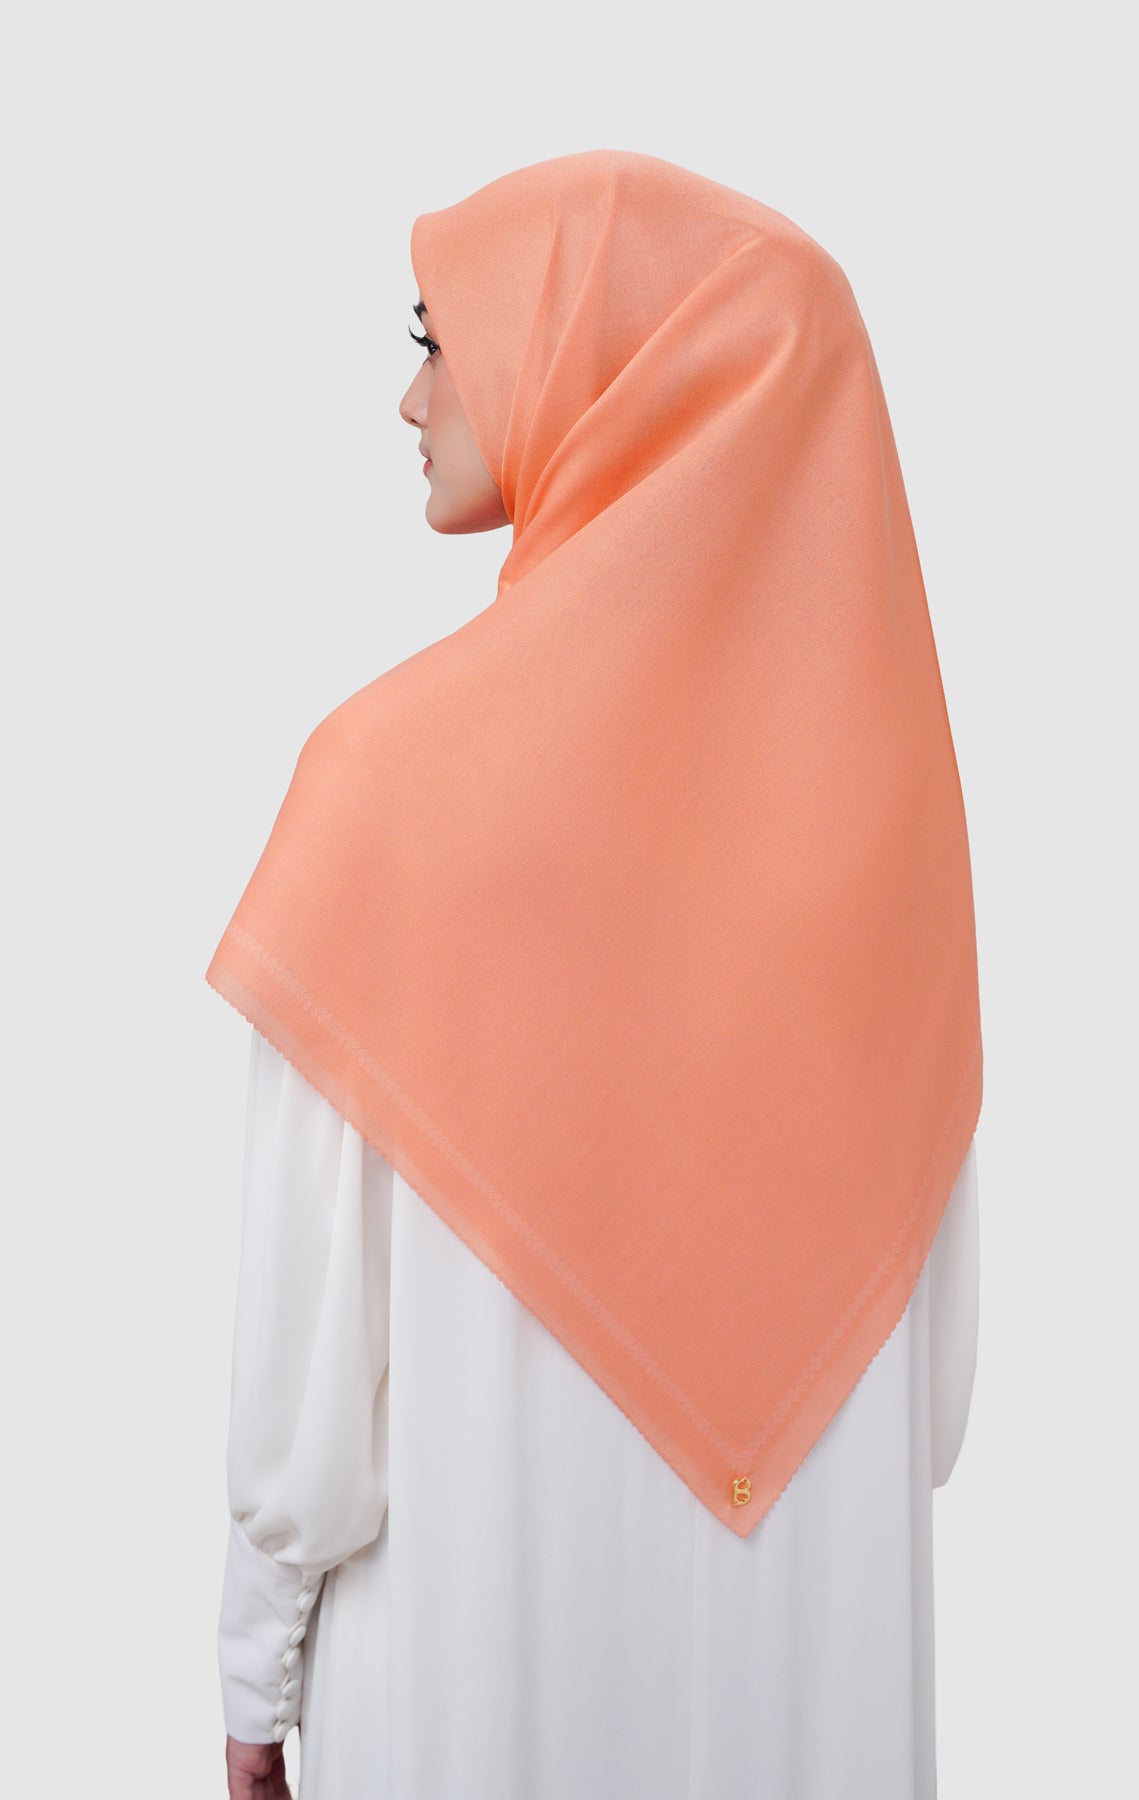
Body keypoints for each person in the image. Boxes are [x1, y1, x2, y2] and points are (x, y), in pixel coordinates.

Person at [213, 149, 983, 1800]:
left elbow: (308, 1387)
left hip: (467, 1681)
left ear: (593, 363)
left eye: (437, 339)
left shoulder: (387, 796)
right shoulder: (890, 846)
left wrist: (251, 1667)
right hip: (808, 1686)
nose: (410, 398)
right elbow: (932, 1406)